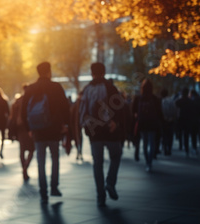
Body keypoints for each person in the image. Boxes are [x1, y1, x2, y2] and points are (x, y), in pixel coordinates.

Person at [21, 62, 69, 204]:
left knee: (40, 161)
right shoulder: (56, 87)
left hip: (37, 131)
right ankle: (54, 187)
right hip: (54, 130)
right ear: (49, 72)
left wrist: (28, 128)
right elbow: (65, 107)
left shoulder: (30, 88)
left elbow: (23, 110)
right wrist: (65, 125)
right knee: (55, 158)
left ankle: (43, 191)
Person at [79, 62, 124, 207]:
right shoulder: (110, 87)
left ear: (92, 73)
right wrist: (115, 122)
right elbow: (119, 107)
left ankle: (100, 195)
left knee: (97, 163)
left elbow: (82, 111)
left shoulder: (86, 89)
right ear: (104, 72)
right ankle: (110, 182)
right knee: (116, 156)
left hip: (94, 133)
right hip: (110, 131)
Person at [132, 79, 163, 172]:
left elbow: (133, 111)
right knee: (152, 143)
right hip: (152, 124)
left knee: (145, 144)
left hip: (142, 123)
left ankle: (147, 162)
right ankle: (150, 162)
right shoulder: (155, 99)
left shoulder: (138, 98)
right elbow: (159, 113)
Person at [9, 85, 35, 182]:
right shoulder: (31, 100)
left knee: (22, 149)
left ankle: (24, 168)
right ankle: (25, 168)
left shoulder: (17, 100)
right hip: (29, 127)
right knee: (31, 150)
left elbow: (12, 116)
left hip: (19, 128)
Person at [175, 88, 196, 157]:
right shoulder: (191, 101)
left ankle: (181, 145)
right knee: (186, 134)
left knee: (181, 133)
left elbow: (175, 104)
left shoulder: (179, 101)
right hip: (188, 120)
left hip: (181, 119)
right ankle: (187, 149)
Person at [160, 89, 177, 156]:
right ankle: (169, 148)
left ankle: (165, 149)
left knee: (164, 135)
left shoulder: (162, 101)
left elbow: (161, 111)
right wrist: (172, 118)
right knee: (170, 135)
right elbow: (175, 110)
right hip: (171, 120)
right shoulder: (172, 101)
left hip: (164, 121)